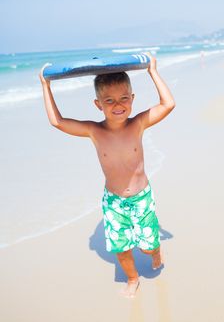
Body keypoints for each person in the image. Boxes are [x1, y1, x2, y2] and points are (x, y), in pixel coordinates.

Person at [39, 53, 175, 298]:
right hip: (113, 202)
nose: (118, 104)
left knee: (147, 247)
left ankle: (155, 251)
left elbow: (168, 104)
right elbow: (57, 122)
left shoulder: (138, 124)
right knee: (122, 250)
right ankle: (133, 279)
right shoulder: (94, 131)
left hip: (141, 198)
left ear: (132, 99)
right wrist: (45, 84)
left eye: (124, 98)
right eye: (109, 100)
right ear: (98, 104)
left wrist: (152, 71)